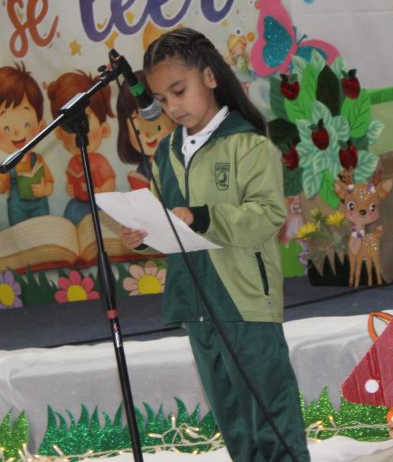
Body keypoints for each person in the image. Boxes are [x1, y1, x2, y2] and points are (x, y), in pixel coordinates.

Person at [120, 28, 310, 462]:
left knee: (270, 412)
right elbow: (170, 224)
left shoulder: (249, 144)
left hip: (245, 298)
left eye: (178, 90)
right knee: (233, 418)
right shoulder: (167, 151)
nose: (171, 106)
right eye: (162, 98)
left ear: (209, 78)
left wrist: (201, 216)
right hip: (195, 301)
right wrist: (144, 236)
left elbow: (267, 216)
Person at [0, 63, 55, 226]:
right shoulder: (8, 165)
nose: (17, 134)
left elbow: (49, 183)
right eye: (7, 128)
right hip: (18, 215)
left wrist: (44, 189)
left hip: (40, 210)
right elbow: (0, 188)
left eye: (26, 125)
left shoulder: (38, 159)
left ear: (41, 128)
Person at [47, 70, 116, 225]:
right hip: (79, 204)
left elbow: (110, 180)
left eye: (85, 118)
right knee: (71, 217)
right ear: (59, 132)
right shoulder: (72, 162)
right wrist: (70, 189)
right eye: (68, 121)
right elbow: (71, 181)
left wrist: (102, 191)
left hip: (100, 203)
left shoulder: (100, 161)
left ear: (104, 129)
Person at [115, 67, 175, 190]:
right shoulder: (144, 168)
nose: (148, 136)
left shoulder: (181, 157)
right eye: (138, 131)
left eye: (156, 127)